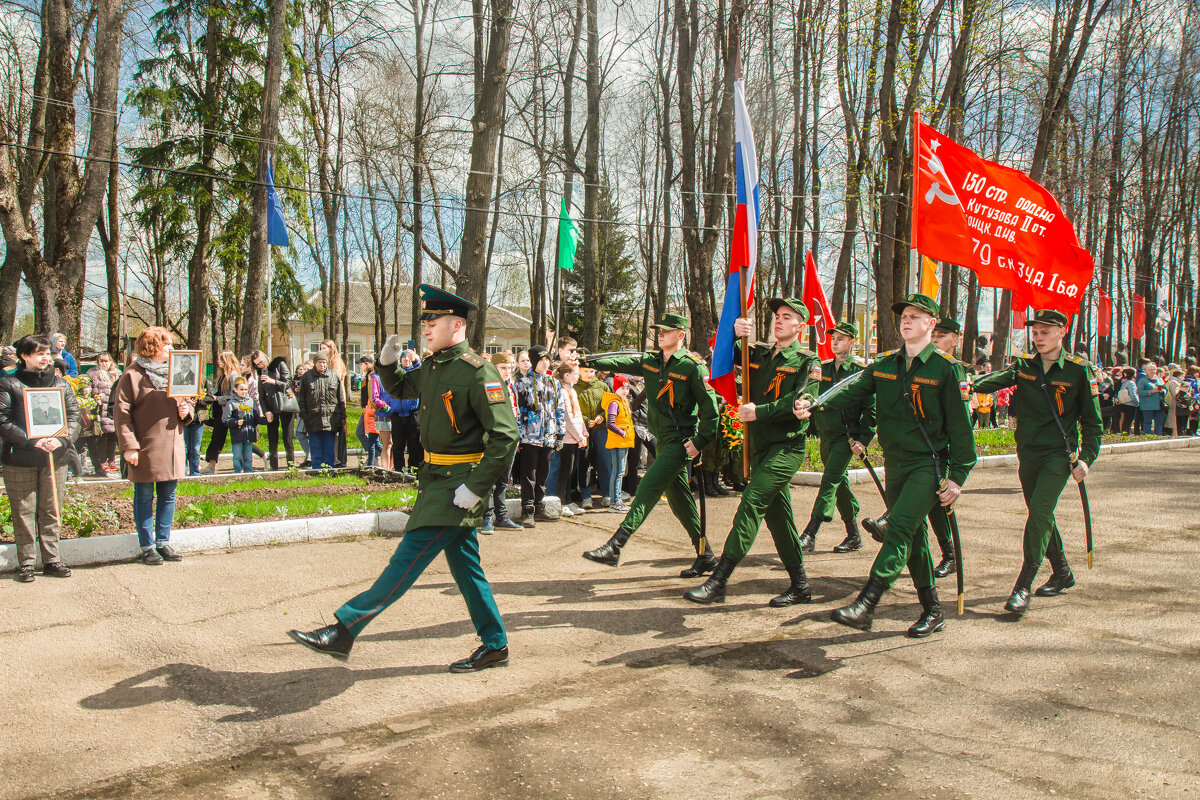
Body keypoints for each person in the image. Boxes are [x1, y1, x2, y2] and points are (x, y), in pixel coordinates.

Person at [289, 285, 519, 673]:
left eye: (434, 321)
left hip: (458, 484)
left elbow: (506, 435)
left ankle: (345, 628)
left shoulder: (478, 371)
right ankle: (495, 645)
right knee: (467, 568)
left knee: (406, 559)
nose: (425, 328)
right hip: (435, 478)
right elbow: (398, 386)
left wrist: (476, 486)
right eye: (425, 322)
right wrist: (386, 363)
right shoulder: (432, 366)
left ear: (457, 324)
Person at [795, 294, 977, 637]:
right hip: (896, 464)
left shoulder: (946, 369)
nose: (906, 320)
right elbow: (851, 391)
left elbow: (961, 430)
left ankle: (868, 601)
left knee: (898, 528)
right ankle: (933, 610)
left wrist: (957, 478)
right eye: (903, 315)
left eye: (915, 316)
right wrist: (815, 404)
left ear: (931, 324)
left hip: (930, 465)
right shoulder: (885, 364)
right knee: (915, 539)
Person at [685, 298, 823, 605]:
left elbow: (802, 402)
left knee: (751, 505)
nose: (779, 320)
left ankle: (719, 580)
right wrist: (733, 332)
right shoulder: (757, 351)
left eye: (787, 317)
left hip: (786, 448)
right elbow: (721, 354)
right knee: (780, 520)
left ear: (800, 326)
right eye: (776, 315)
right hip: (759, 448)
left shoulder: (807, 361)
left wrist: (758, 412)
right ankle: (800, 586)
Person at [972, 310, 1102, 616]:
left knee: (1040, 512)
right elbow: (989, 382)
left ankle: (1023, 584)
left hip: (1058, 455)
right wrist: (961, 382)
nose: (1039, 337)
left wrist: (1087, 459)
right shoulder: (1024, 366)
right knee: (1041, 516)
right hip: (1027, 454)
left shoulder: (1078, 370)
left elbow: (1093, 423)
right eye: (1036, 332)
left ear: (1061, 332)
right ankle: (1062, 572)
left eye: (1046, 332)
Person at [582, 312, 721, 577]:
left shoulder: (693, 367)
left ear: (680, 335)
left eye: (666, 331)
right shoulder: (651, 361)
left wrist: (700, 441)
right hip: (661, 439)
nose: (660, 333)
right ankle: (706, 556)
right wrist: (588, 360)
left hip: (679, 442)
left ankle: (616, 545)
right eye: (658, 330)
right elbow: (621, 361)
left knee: (648, 485)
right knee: (681, 502)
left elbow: (711, 409)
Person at [0, 334, 82, 581]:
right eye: (39, 354)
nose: (46, 358)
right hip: (20, 458)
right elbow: (2, 419)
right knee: (23, 511)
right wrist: (30, 440)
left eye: (47, 353)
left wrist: (61, 440)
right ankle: (26, 563)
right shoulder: (9, 384)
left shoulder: (62, 384)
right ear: (24, 356)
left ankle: (52, 560)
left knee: (51, 509)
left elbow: (75, 417)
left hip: (54, 458)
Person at [114, 327, 195, 565]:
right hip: (145, 445)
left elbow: (188, 401)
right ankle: (147, 545)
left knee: (168, 496)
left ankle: (163, 541)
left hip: (172, 443)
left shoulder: (177, 371)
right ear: (152, 347)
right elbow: (121, 412)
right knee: (144, 496)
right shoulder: (133, 374)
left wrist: (186, 410)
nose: (171, 348)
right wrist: (129, 446)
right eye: (167, 344)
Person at [800, 321, 875, 554]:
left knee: (830, 480)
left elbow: (871, 408)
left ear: (852, 343)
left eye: (840, 339)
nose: (835, 342)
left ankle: (810, 532)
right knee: (839, 482)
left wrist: (864, 438)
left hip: (847, 437)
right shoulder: (823, 368)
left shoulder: (859, 372)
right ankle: (854, 536)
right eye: (833, 338)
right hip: (826, 435)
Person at [513, 345, 563, 527]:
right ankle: (527, 510)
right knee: (529, 474)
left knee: (543, 474)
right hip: (529, 437)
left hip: (548, 437)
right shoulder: (521, 383)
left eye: (547, 359)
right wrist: (518, 436)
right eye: (541, 359)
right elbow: (518, 411)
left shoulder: (554, 383)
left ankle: (539, 506)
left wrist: (560, 433)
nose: (545, 362)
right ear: (534, 361)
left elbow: (559, 409)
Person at [482, 351, 522, 532]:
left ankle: (502, 516)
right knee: (489, 479)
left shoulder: (511, 386)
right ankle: (487, 517)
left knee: (503, 481)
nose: (507, 371)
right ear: (494, 368)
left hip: (510, 439)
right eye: (503, 368)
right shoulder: (491, 386)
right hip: (495, 440)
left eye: (509, 368)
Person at [297, 352, 346, 470]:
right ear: (315, 363)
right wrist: (304, 414)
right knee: (315, 446)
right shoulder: (307, 377)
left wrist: (342, 415)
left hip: (331, 418)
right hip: (312, 418)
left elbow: (341, 398)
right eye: (320, 362)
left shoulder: (334, 376)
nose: (322, 365)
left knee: (329, 446)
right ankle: (317, 469)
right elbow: (301, 398)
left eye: (324, 362)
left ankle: (329, 469)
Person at [574, 360, 609, 509]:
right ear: (579, 371)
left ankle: (607, 494)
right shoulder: (574, 387)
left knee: (605, 462)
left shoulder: (603, 386)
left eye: (592, 371)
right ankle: (586, 496)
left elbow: (611, 405)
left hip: (601, 429)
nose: (589, 374)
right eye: (586, 371)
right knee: (583, 463)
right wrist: (586, 420)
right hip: (583, 430)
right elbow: (573, 409)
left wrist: (603, 415)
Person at [252, 350, 295, 470]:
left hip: (285, 405)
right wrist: (266, 411)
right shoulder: (261, 373)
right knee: (272, 439)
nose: (261, 365)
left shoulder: (279, 364)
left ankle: (291, 467)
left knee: (288, 438)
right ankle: (274, 467)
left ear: (265, 356)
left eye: (261, 362)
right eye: (257, 364)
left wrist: (273, 381)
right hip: (271, 408)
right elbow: (261, 395)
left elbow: (288, 383)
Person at [200, 351, 240, 474]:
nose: (218, 362)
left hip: (228, 412)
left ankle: (258, 457)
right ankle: (211, 466)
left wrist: (219, 399)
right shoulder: (222, 376)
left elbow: (235, 395)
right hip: (219, 412)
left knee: (239, 438)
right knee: (216, 438)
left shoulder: (233, 376)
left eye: (221, 360)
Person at [556, 360, 587, 516]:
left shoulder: (572, 390)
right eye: (575, 374)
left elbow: (578, 415)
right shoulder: (562, 391)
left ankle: (568, 500)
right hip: (568, 438)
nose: (578, 376)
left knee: (572, 471)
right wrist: (579, 436)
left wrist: (584, 433)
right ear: (566, 375)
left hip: (575, 437)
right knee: (565, 472)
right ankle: (561, 502)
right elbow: (567, 417)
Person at [602, 375, 634, 512]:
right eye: (622, 388)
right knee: (618, 472)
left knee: (619, 472)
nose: (625, 390)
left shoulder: (622, 401)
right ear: (616, 388)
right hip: (619, 441)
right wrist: (623, 433)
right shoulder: (614, 403)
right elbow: (610, 423)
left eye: (627, 388)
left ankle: (616, 501)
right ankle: (615, 502)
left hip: (623, 441)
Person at [89, 352, 121, 476]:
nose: (104, 364)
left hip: (113, 407)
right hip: (101, 409)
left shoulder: (117, 374)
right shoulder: (94, 375)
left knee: (113, 436)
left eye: (106, 361)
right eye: (102, 361)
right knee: (101, 437)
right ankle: (102, 461)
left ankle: (111, 460)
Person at [320, 339, 350, 467]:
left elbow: (335, 379)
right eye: (321, 348)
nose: (322, 351)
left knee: (337, 430)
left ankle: (338, 459)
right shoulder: (328, 361)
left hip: (337, 398)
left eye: (324, 348)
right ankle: (332, 457)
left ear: (331, 348)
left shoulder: (336, 361)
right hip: (330, 398)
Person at [223, 377, 262, 473]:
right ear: (235, 389)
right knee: (237, 456)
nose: (244, 392)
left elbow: (256, 417)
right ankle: (237, 473)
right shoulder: (231, 403)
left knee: (248, 457)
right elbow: (225, 419)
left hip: (248, 434)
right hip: (237, 435)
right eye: (241, 389)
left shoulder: (251, 402)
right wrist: (236, 422)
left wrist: (266, 420)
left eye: (245, 389)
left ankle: (248, 474)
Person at [1137, 362, 1166, 435]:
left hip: (1159, 405)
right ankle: (1148, 436)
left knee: (1159, 422)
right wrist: (1150, 391)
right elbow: (1139, 391)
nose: (1152, 371)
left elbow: (1165, 389)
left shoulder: (1159, 379)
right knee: (1147, 421)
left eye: (1154, 369)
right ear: (1146, 371)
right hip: (1147, 406)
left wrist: (1162, 391)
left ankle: (1158, 436)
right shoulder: (1142, 380)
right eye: (1150, 370)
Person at [292, 361, 312, 467]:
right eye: (304, 369)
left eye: (308, 369)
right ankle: (310, 456)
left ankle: (311, 457)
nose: (305, 371)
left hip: (309, 411)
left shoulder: (313, 380)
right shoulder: (303, 380)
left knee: (300, 433)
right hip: (302, 410)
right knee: (300, 433)